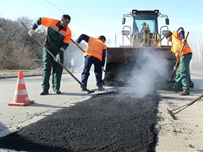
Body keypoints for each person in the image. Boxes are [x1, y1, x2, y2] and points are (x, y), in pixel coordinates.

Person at [28, 14, 72, 95]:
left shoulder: (68, 32)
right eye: (66, 22)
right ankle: (45, 89)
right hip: (47, 48)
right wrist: (33, 29)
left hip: (58, 51)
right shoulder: (52, 22)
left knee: (58, 70)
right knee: (46, 68)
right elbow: (40, 19)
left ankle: (56, 88)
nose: (67, 24)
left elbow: (65, 44)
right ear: (62, 19)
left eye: (68, 23)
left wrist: (59, 54)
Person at [164, 27, 192, 95]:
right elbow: (177, 56)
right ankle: (175, 87)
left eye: (167, 38)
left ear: (169, 36)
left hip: (186, 54)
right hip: (181, 58)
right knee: (178, 72)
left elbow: (181, 29)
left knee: (183, 72)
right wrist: (176, 65)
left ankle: (186, 90)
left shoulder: (175, 35)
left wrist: (183, 39)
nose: (168, 40)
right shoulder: (172, 47)